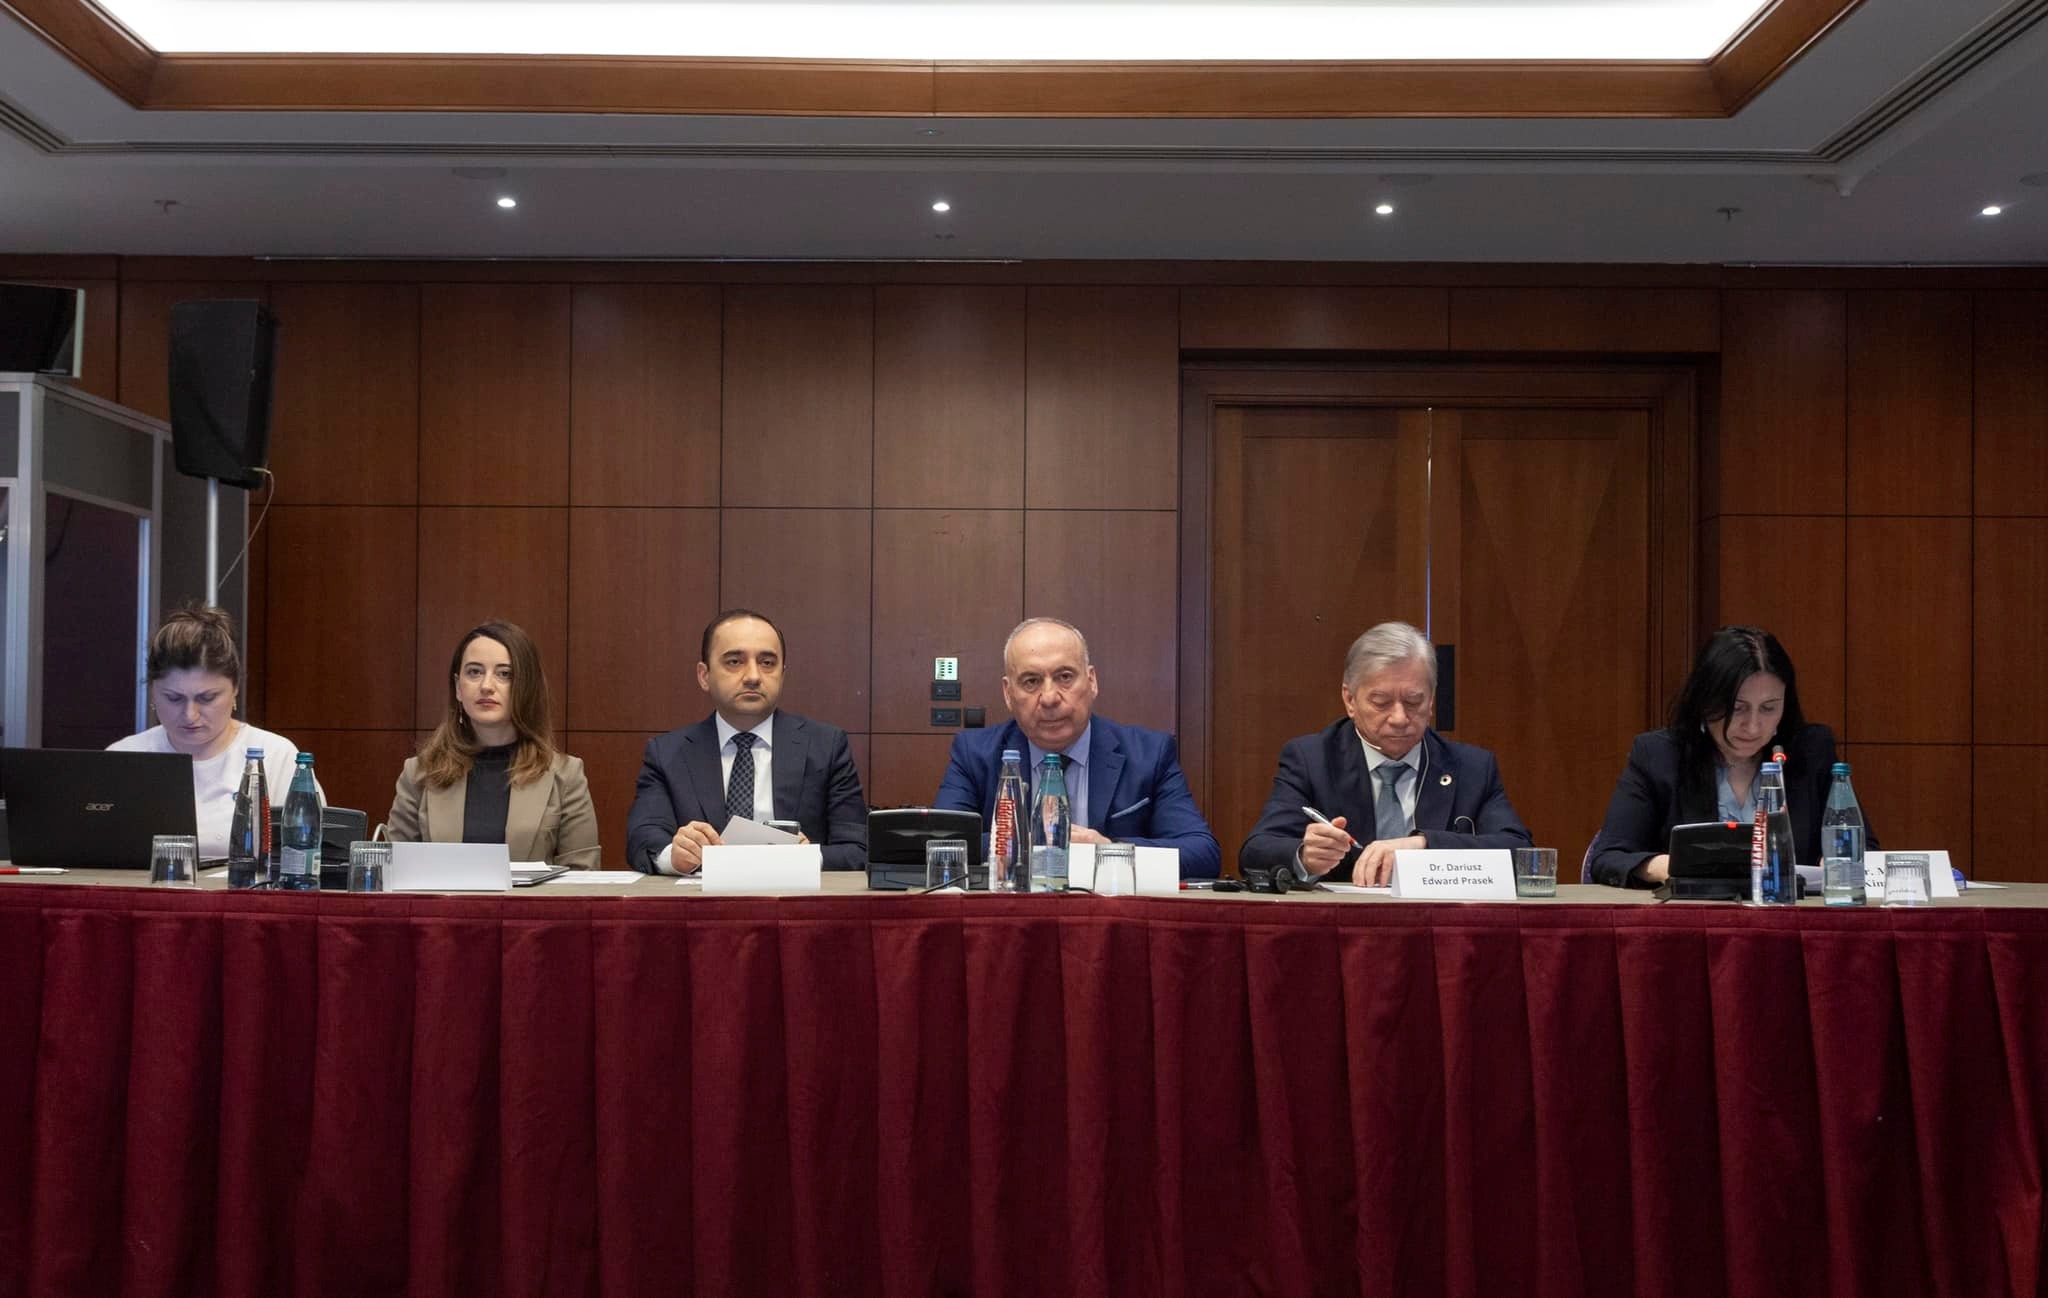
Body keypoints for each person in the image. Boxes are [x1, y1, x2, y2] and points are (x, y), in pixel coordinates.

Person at [1239, 621, 1531, 886]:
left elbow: (1521, 854)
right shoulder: (1312, 760)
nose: (1399, 718)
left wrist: (1424, 845)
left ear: (1431, 701)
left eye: (1414, 701)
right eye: (1381, 702)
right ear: (1350, 700)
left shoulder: (1472, 768)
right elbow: (1255, 851)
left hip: (1440, 920)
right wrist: (1303, 855)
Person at [935, 617, 1221, 877]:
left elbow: (1202, 853)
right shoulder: (975, 754)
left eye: (1065, 677)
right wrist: (1032, 845)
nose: (1049, 698)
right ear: (1008, 694)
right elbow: (941, 842)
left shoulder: (1149, 754)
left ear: (1092, 681)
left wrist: (1108, 849)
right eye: (1031, 681)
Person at [1586, 624, 1857, 888]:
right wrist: (1673, 866)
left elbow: (1861, 845)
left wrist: (1838, 862)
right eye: (1737, 708)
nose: (1753, 726)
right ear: (1705, 701)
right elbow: (1609, 857)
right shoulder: (1660, 756)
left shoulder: (1812, 751)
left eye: (1768, 708)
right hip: (1691, 914)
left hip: (1789, 912)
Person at [626, 609, 868, 873]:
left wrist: (807, 857)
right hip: (702, 896)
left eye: (767, 663)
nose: (753, 676)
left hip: (794, 895)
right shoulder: (668, 753)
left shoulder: (826, 747)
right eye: (734, 661)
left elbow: (858, 849)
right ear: (704, 676)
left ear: (782, 674)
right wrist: (675, 855)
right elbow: (643, 839)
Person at [385, 620, 600, 867]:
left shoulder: (566, 775)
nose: (486, 686)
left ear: (526, 687)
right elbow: (394, 872)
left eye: (504, 674)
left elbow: (583, 876)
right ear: (458, 687)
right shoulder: (419, 773)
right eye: (474, 672)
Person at [108, 605, 307, 859]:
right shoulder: (123, 756)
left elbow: (309, 856)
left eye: (207, 698)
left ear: (235, 689)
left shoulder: (277, 757)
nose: (190, 714)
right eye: (174, 698)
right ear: (153, 693)